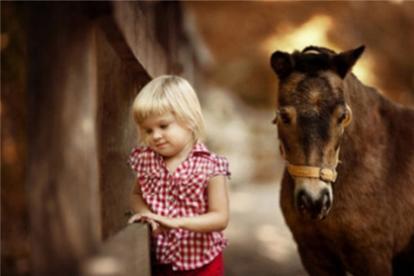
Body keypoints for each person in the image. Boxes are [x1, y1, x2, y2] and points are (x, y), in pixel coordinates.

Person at [127, 75, 231, 276]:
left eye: (163, 126)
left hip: (203, 262)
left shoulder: (210, 166)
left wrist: (177, 222)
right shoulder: (147, 161)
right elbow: (136, 195)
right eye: (148, 130)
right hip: (162, 260)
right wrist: (147, 215)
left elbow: (220, 217)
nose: (155, 136)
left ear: (189, 120)